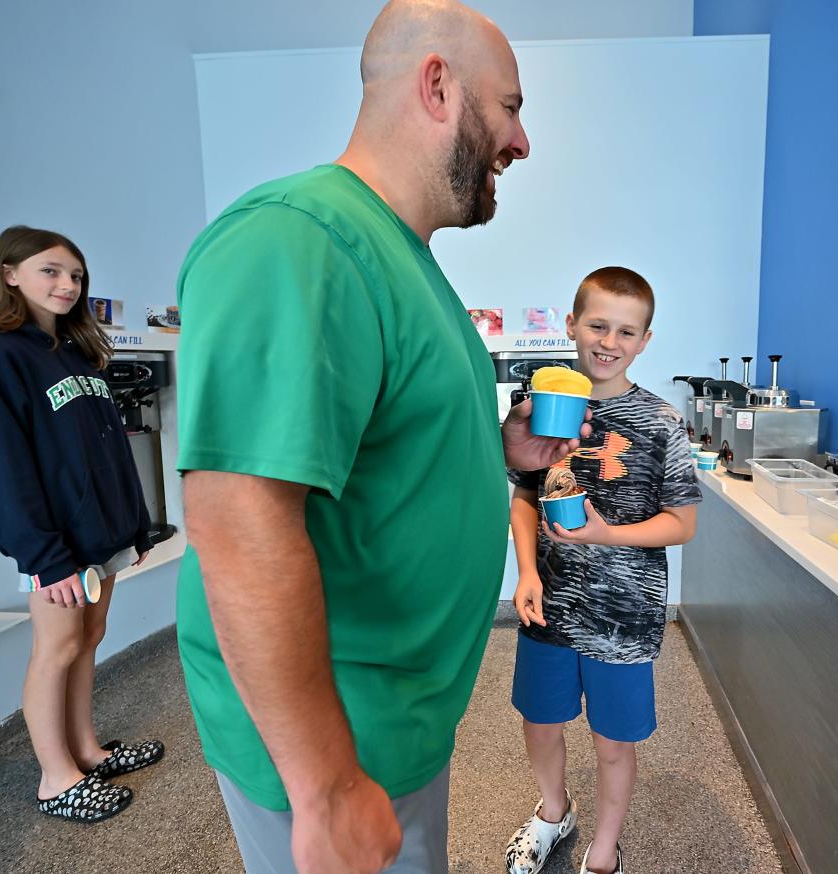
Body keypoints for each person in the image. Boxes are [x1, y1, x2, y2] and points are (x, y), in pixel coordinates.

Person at [174, 2, 586, 872]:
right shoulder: (299, 239)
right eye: (510, 106)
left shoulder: (403, 259)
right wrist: (325, 788)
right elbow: (239, 526)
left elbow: (384, 452)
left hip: (395, 724)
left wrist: (496, 457)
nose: (521, 142)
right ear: (438, 85)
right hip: (336, 742)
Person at [0, 226, 164, 822]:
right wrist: (44, 555)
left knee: (88, 640)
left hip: (102, 535)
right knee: (56, 649)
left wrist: (134, 528)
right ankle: (56, 778)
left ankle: (87, 751)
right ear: (10, 274)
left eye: (75, 275)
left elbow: (107, 450)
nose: (67, 285)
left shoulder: (77, 354)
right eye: (50, 271)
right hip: (55, 547)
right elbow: (1, 468)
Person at [504, 267, 701, 874]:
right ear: (571, 325)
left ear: (644, 340)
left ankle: (605, 847)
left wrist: (605, 534)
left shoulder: (662, 421)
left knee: (614, 742)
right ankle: (553, 811)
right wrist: (527, 574)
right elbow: (523, 497)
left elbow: (681, 523)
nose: (608, 341)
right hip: (550, 609)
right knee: (541, 723)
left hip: (626, 617)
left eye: (625, 330)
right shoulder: (540, 412)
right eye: (597, 324)